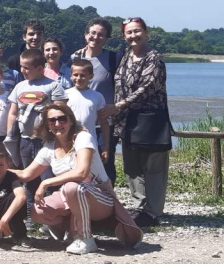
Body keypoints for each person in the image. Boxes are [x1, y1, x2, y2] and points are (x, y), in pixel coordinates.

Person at [12, 102, 142, 255]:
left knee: (72, 187)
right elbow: (26, 174)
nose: (57, 124)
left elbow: (82, 172)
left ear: (71, 120)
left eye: (62, 119)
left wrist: (46, 182)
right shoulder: (49, 147)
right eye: (52, 120)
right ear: (47, 124)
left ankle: (86, 238)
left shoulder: (83, 138)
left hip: (100, 196)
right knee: (37, 211)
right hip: (71, 196)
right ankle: (71, 230)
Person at [102, 17, 172, 229]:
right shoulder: (125, 56)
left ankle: (153, 212)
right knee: (132, 167)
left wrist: (118, 106)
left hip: (151, 120)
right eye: (129, 32)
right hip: (127, 121)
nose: (133, 36)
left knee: (153, 168)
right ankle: (139, 207)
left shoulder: (154, 58)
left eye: (137, 31)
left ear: (146, 33)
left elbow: (147, 88)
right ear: (124, 36)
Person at [5, 48, 67, 206]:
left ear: (40, 68)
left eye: (26, 68)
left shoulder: (53, 86)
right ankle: (30, 213)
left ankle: (51, 212)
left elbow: (61, 113)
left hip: (47, 141)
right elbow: (13, 113)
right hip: (25, 140)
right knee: (28, 178)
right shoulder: (20, 86)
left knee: (48, 179)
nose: (22, 70)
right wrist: (10, 135)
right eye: (21, 66)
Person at [70, 17, 122, 182]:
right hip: (80, 123)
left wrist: (117, 106)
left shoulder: (114, 59)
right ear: (86, 35)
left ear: (106, 38)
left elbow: (123, 86)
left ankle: (107, 196)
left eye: (101, 34)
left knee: (105, 164)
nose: (96, 37)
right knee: (77, 163)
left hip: (104, 122)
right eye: (92, 33)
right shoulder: (75, 57)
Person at [66, 59, 110, 158]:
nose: (78, 78)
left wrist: (106, 147)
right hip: (68, 142)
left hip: (89, 142)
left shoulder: (97, 96)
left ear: (91, 76)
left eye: (83, 75)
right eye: (75, 75)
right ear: (70, 75)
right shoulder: (65, 95)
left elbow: (104, 123)